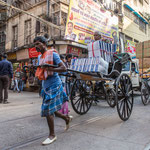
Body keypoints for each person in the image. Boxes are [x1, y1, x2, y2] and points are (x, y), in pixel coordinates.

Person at [34, 36, 72, 145]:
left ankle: (52, 135)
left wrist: (50, 68)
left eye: (38, 44)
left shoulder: (53, 54)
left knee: (47, 110)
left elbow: (63, 68)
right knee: (52, 110)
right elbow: (42, 69)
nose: (36, 46)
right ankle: (66, 118)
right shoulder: (39, 57)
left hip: (54, 85)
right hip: (45, 86)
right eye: (35, 45)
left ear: (44, 44)